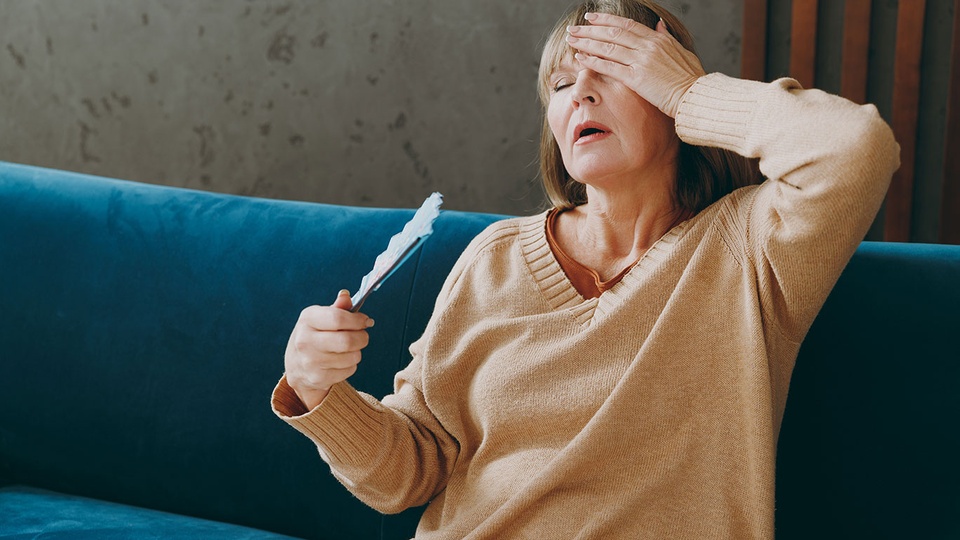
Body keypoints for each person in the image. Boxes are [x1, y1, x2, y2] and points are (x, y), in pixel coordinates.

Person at [272, 0, 899, 537]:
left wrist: (690, 92)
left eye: (617, 69)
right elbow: (411, 470)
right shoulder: (496, 258)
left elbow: (854, 148)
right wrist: (319, 393)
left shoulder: (750, 249)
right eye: (563, 83)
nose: (583, 94)